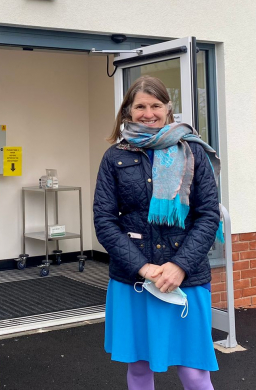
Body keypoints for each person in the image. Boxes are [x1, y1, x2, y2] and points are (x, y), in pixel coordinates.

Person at [93, 76, 221, 390]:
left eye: (155, 105)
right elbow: (104, 221)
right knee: (139, 369)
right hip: (135, 279)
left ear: (167, 109)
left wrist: (179, 266)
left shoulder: (192, 152)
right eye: (140, 106)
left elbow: (208, 216)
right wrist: (143, 267)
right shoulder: (114, 158)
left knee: (193, 373)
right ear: (128, 111)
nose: (148, 113)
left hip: (186, 277)